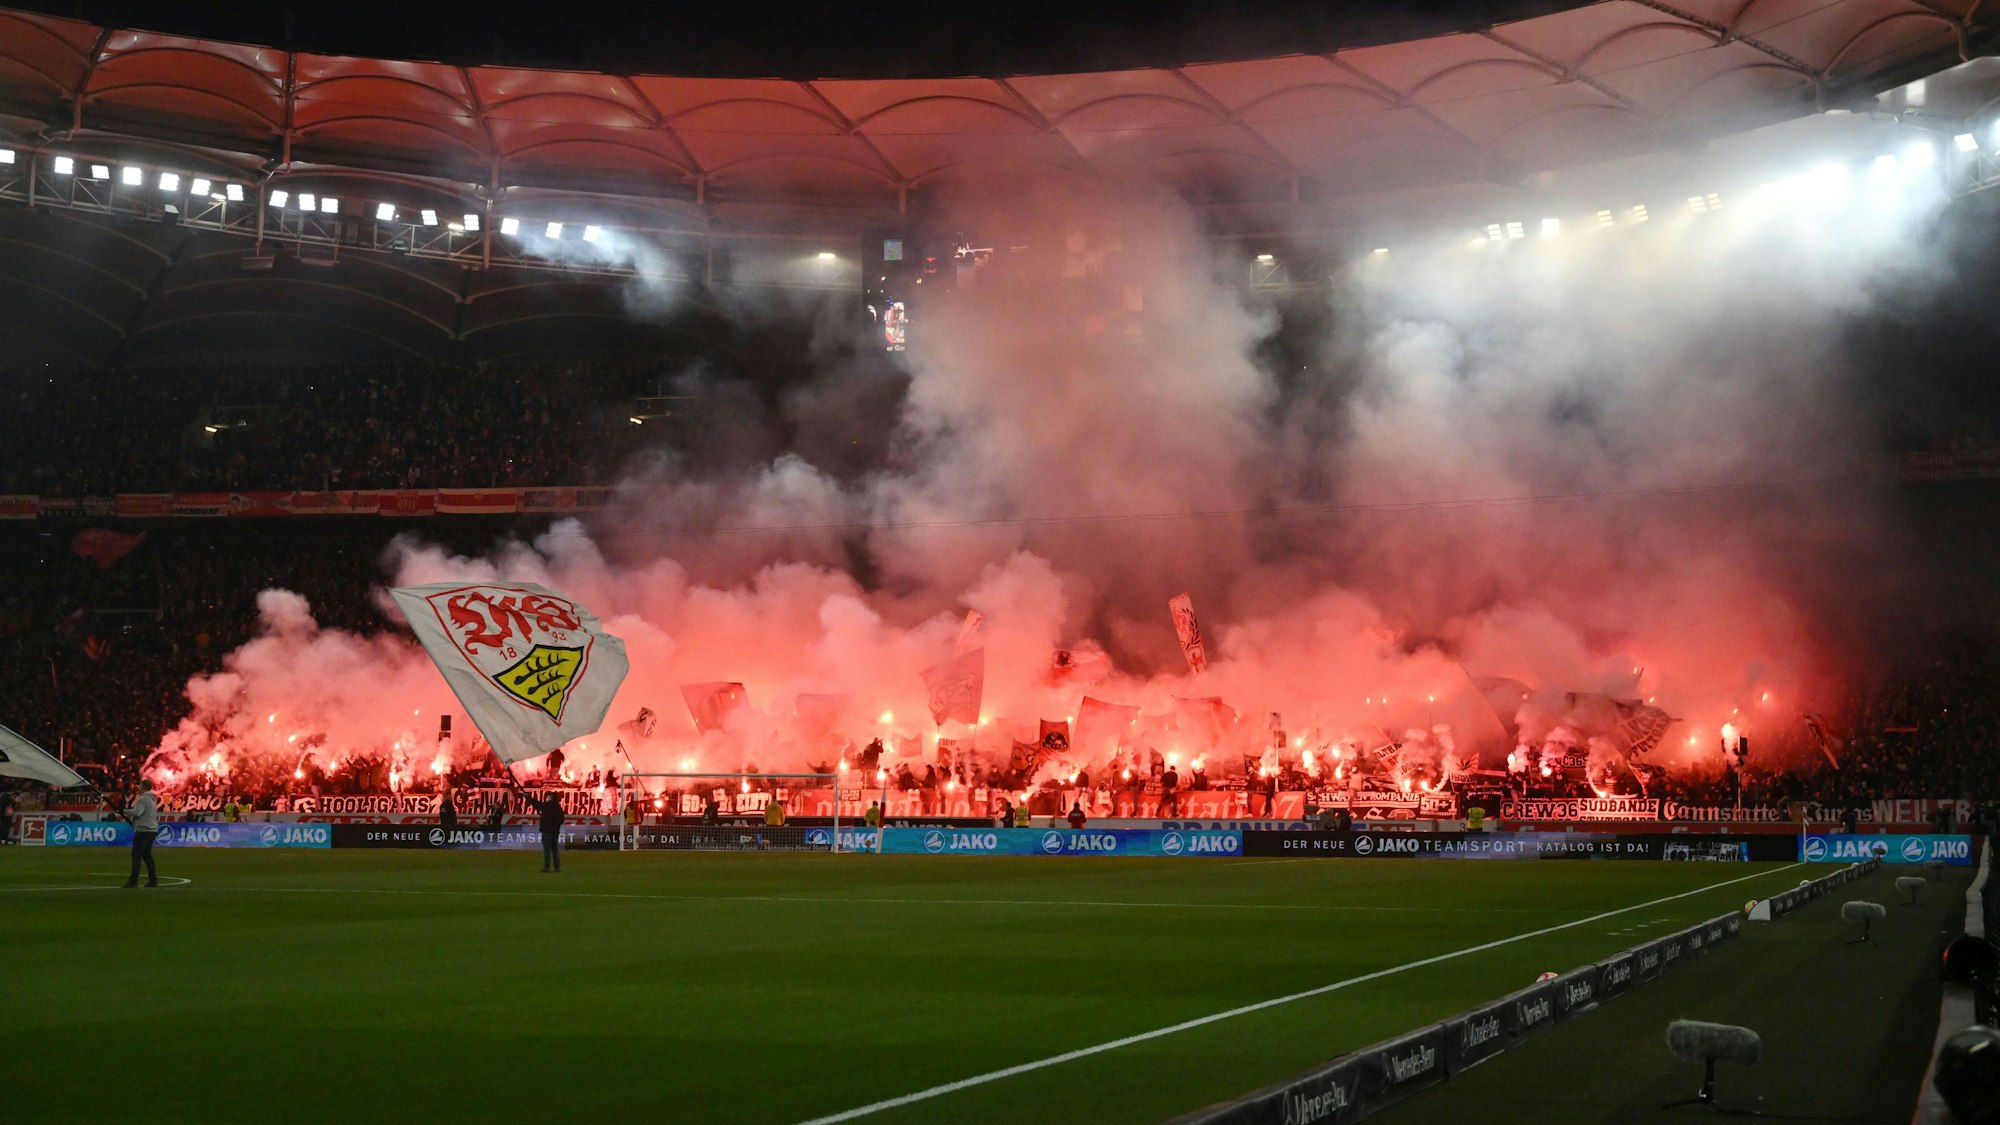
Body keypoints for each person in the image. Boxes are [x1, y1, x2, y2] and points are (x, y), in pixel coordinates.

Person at [122, 780, 161, 888]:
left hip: (143, 830)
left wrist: (124, 810)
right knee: (147, 855)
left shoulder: (143, 799)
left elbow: (137, 812)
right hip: (151, 830)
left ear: (143, 787)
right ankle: (153, 880)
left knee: (136, 855)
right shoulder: (153, 799)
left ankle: (133, 880)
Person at [527, 790, 564, 872]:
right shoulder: (558, 807)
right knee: (555, 850)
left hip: (547, 831)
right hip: (555, 831)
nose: (546, 798)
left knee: (547, 850)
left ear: (550, 798)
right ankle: (557, 867)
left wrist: (528, 797)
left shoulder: (547, 806)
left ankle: (547, 867)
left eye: (547, 797)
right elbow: (561, 820)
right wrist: (555, 824)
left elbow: (536, 804)